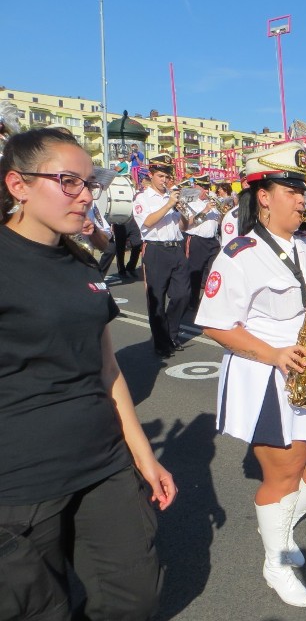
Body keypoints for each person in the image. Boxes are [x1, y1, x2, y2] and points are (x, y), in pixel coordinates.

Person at [0, 128, 176, 620]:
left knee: (135, 598)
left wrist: (144, 457)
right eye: (68, 181)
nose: (85, 195)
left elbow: (108, 367)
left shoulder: (80, 263)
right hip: (18, 486)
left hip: (103, 465)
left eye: (89, 183)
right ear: (18, 185)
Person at [196, 142, 306, 609]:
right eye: (291, 189)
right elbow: (214, 323)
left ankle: (281, 520)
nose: (302, 198)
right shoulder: (239, 253)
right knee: (286, 474)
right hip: (266, 369)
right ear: (263, 196)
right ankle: (276, 560)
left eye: (302, 189)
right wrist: (273, 354)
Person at [132, 153, 193, 357]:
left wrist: (184, 212)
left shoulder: (172, 197)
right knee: (156, 299)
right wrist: (168, 205)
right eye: (160, 176)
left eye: (167, 176)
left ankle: (171, 333)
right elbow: (147, 222)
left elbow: (184, 226)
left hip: (176, 247)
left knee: (184, 295)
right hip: (156, 249)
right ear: (151, 175)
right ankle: (161, 342)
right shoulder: (142, 198)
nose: (165, 180)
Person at [185, 181, 220, 311]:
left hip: (213, 241)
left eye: (207, 188)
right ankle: (192, 301)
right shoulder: (191, 203)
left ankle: (208, 301)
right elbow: (189, 223)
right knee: (195, 273)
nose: (205, 191)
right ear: (195, 188)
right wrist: (205, 210)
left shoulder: (212, 202)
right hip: (197, 240)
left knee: (215, 272)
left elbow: (218, 221)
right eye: (202, 188)